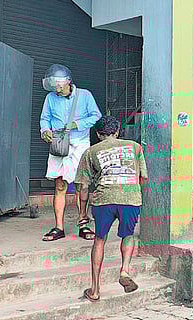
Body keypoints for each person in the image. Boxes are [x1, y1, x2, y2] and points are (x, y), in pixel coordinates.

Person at [74, 116, 148, 302]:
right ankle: (124, 271)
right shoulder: (135, 147)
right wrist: (133, 195)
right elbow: (143, 178)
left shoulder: (91, 152)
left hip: (103, 200)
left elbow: (82, 186)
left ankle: (95, 290)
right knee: (128, 235)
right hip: (130, 199)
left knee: (99, 240)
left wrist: (82, 214)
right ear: (117, 132)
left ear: (99, 134)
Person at [39, 64, 102, 241]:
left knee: (82, 185)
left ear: (68, 82)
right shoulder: (50, 98)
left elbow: (96, 116)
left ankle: (83, 224)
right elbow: (45, 118)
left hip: (80, 143)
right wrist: (45, 130)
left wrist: (77, 124)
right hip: (59, 143)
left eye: (58, 86)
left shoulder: (85, 95)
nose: (56, 90)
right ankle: (58, 227)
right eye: (53, 87)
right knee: (59, 185)